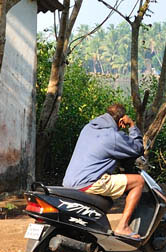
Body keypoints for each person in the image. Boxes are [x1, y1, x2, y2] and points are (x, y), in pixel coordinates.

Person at [62, 103, 145, 240]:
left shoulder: (87, 128)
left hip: (69, 182)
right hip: (89, 182)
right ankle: (123, 226)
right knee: (138, 182)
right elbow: (137, 148)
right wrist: (131, 126)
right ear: (120, 121)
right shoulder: (113, 136)